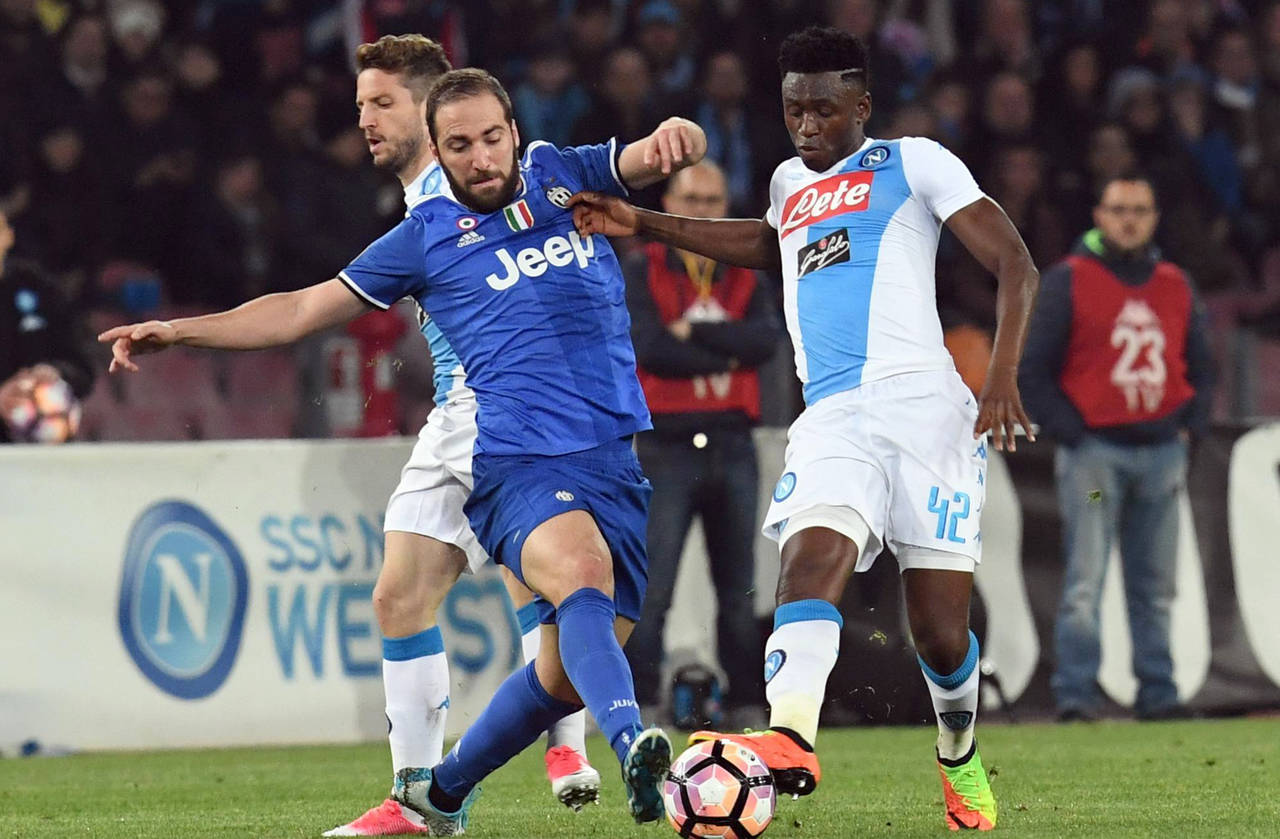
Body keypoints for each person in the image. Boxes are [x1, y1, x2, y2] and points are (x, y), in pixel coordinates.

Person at [100, 67, 707, 833]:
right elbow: (301, 308)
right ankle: (631, 745)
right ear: (438, 152)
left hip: (613, 456)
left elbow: (651, 156)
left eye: (492, 138)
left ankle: (441, 793)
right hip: (516, 457)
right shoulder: (424, 237)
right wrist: (181, 330)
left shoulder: (562, 172)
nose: (481, 158)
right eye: (461, 146)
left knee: (559, 674)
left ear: (515, 132)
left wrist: (679, 138)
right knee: (576, 573)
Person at [570, 26, 1040, 832]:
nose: (807, 125)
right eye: (794, 110)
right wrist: (642, 221)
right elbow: (770, 241)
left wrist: (1000, 376)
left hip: (926, 408)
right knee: (808, 557)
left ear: (862, 105)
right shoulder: (788, 182)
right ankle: (791, 735)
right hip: (832, 413)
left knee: (939, 633)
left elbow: (1016, 263)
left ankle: (958, 748)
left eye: (824, 109)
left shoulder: (916, 162)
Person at [1018, 173, 1214, 723]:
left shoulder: (1175, 283)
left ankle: (1158, 692)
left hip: (1159, 451)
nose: (1130, 220)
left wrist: (1190, 426)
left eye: (1140, 210)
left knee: (1154, 583)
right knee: (1088, 579)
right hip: (1095, 455)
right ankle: (1078, 695)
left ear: (1154, 219)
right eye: (1120, 210)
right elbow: (1034, 372)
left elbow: (1203, 365)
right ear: (1099, 216)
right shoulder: (1069, 280)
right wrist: (1075, 433)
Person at [622, 159, 780, 723]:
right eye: (691, 199)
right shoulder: (642, 267)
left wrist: (693, 331)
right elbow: (650, 349)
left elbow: (766, 342)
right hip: (664, 445)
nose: (701, 211)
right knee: (652, 587)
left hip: (733, 441)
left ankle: (746, 704)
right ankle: (639, 708)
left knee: (740, 590)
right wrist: (726, 353)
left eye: (712, 201)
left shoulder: (745, 270)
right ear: (668, 203)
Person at [0, 209, 95, 444]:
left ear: (8, 236)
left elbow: (83, 366)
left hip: (45, 447)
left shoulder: (40, 288)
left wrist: (54, 372)